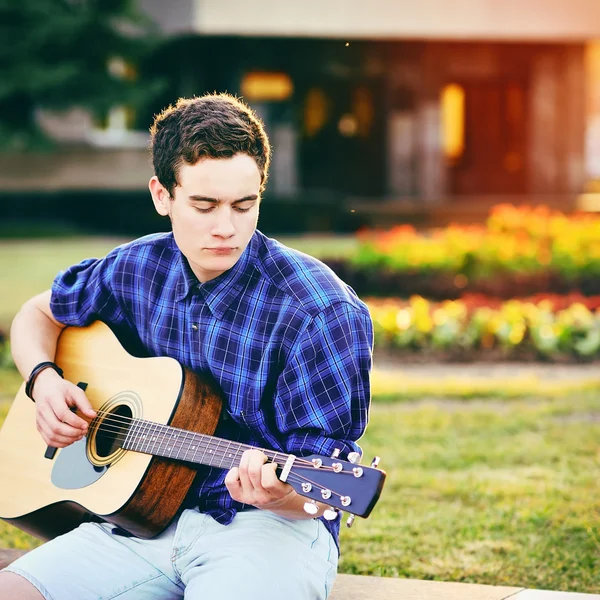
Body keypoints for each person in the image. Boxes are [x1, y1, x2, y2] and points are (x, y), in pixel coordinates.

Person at [0, 93, 373, 600]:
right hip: (136, 523)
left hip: (265, 532)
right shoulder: (135, 268)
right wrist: (44, 381)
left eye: (245, 205)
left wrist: (280, 494)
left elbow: (322, 496)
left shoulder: (320, 312)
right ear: (162, 195)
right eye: (204, 205)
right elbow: (37, 314)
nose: (227, 227)